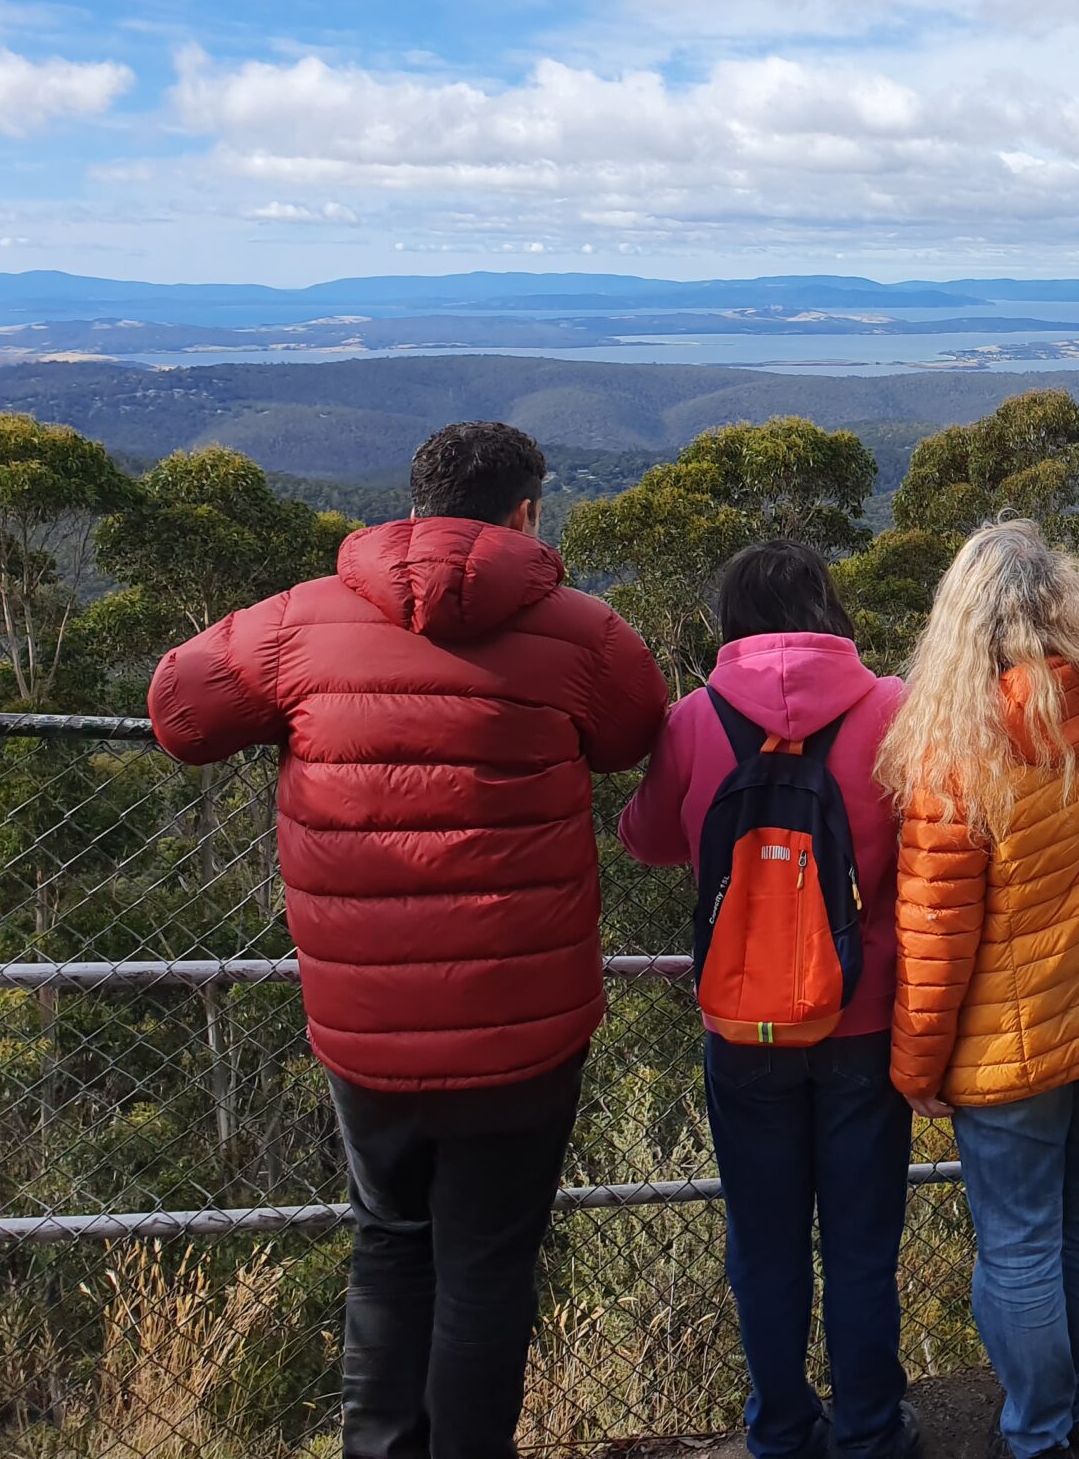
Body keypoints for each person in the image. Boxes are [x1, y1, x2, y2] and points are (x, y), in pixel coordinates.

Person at [148, 420, 667, 1459]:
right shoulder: (585, 630)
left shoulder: (299, 621)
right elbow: (629, 737)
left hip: (368, 1030)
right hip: (525, 1033)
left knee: (390, 1242)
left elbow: (180, 716)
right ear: (528, 510)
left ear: (415, 504)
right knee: (489, 1266)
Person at [620, 541, 918, 1459]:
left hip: (743, 1023)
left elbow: (645, 839)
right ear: (832, 610)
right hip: (862, 1020)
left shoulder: (693, 719)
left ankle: (781, 1431)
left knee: (764, 1242)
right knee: (862, 1245)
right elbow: (923, 855)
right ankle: (870, 1432)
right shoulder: (893, 710)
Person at [882, 521, 1079, 1459]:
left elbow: (935, 939)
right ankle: (1077, 1401)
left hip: (1014, 1054)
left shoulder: (952, 756)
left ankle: (1040, 1432)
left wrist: (917, 1067)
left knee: (1018, 1244)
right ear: (1061, 611)